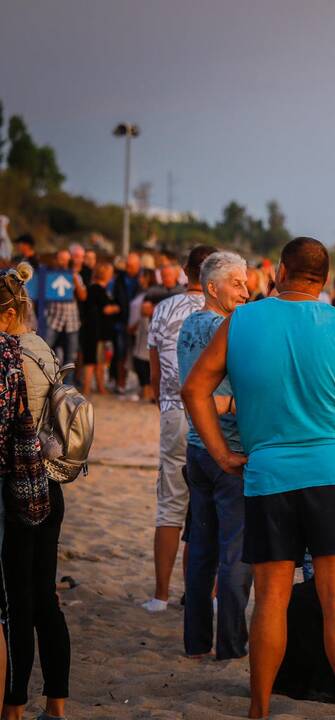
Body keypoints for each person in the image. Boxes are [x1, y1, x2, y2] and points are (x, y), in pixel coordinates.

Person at [182, 237, 335, 719]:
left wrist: (221, 453)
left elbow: (194, 390)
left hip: (269, 475)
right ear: (324, 278)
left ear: (280, 270)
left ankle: (259, 708)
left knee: (271, 598)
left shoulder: (242, 321)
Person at [0, 263, 70, 720]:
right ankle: (57, 704)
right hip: (47, 482)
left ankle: (14, 706)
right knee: (46, 596)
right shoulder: (42, 348)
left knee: (15, 601)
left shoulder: (6, 356)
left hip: (12, 484)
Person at [177, 251, 252, 660]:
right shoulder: (228, 326)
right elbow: (228, 390)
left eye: (245, 282)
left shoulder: (190, 324)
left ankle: (195, 642)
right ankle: (231, 645)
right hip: (228, 452)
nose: (246, 290)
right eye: (237, 283)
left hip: (196, 448)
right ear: (211, 287)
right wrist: (238, 404)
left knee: (202, 550)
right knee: (235, 554)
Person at [142, 245, 215, 613]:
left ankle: (160, 595)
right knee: (210, 506)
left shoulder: (163, 309)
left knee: (170, 504)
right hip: (216, 414)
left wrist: (166, 402)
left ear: (185, 270)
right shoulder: (225, 312)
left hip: (174, 410)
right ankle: (206, 595)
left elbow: (154, 374)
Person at [42, 248, 86, 380]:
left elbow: (83, 296)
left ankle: (68, 387)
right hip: (53, 319)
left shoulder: (76, 275)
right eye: (61, 259)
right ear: (56, 259)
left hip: (71, 321)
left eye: (67, 259)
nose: (64, 262)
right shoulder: (49, 275)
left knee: (70, 357)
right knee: (45, 352)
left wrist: (74, 278)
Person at [81, 262, 120, 395]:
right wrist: (117, 308)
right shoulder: (98, 289)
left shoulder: (94, 288)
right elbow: (106, 309)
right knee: (94, 361)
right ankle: (91, 388)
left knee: (97, 362)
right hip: (97, 332)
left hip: (95, 331)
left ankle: (98, 387)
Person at [111, 251, 144, 395]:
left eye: (132, 266)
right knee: (121, 353)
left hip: (139, 323)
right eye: (128, 265)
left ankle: (142, 385)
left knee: (140, 355)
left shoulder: (143, 279)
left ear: (138, 266)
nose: (129, 268)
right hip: (122, 321)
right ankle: (120, 383)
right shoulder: (119, 279)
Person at [128, 269, 155, 401]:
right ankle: (145, 390)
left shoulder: (151, 292)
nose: (139, 279)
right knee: (139, 359)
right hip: (137, 327)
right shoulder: (139, 291)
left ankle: (147, 391)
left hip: (145, 327)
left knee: (143, 359)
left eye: (142, 277)